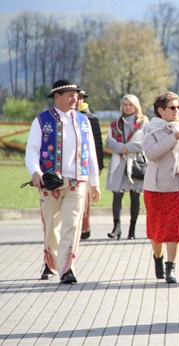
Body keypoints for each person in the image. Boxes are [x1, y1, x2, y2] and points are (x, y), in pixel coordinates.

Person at [25, 79, 101, 284]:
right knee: (51, 227)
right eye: (69, 94)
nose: (74, 98)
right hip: (50, 183)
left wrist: (95, 183)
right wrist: (35, 172)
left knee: (72, 225)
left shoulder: (83, 121)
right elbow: (32, 151)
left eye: (76, 94)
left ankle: (67, 268)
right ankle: (51, 262)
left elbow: (91, 153)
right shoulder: (41, 120)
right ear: (56, 97)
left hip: (77, 182)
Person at [142, 92, 179, 284]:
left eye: (178, 107)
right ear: (161, 110)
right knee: (157, 229)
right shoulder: (150, 128)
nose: (177, 111)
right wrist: (173, 137)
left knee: (175, 229)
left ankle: (170, 267)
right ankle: (158, 257)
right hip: (155, 188)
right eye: (172, 108)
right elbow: (151, 154)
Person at [106, 94, 149, 240]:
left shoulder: (143, 122)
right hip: (119, 160)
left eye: (130, 104)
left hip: (135, 161)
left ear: (136, 106)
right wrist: (122, 148)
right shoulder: (115, 123)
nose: (127, 107)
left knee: (135, 195)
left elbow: (144, 141)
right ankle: (116, 227)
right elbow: (109, 141)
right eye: (125, 104)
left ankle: (132, 229)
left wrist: (126, 148)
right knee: (117, 194)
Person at [77, 89, 104, 240]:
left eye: (81, 98)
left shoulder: (91, 119)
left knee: (86, 198)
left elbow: (97, 145)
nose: (79, 100)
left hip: (87, 165)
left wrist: (98, 166)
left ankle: (85, 228)